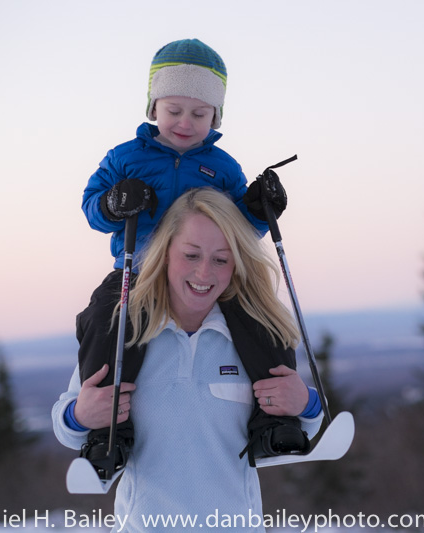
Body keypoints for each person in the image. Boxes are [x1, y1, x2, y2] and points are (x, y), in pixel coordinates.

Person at [76, 38, 294, 477]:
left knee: (261, 318)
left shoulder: (223, 167)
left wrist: (258, 210)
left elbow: (237, 233)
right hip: (136, 271)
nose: (185, 122)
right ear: (153, 106)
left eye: (199, 113)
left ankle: (276, 417)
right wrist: (115, 204)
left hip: (206, 273)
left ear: (216, 116)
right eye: (175, 110)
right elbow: (91, 207)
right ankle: (107, 430)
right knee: (106, 320)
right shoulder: (125, 158)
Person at [54, 188, 323, 531]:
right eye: (192, 255)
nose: (204, 274)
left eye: (221, 259)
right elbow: (65, 425)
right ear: (165, 252)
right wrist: (77, 415)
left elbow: (312, 428)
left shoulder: (253, 340)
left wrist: (307, 403)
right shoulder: (124, 336)